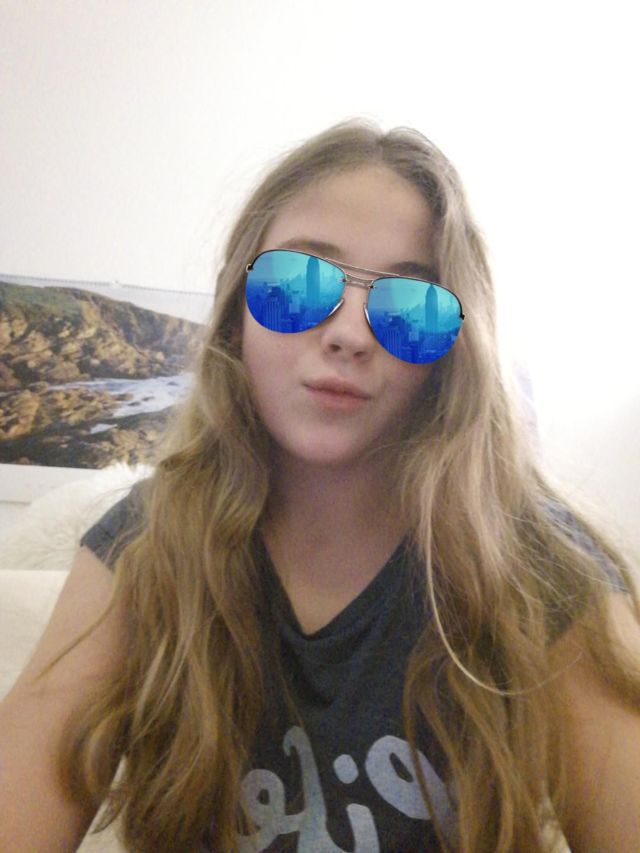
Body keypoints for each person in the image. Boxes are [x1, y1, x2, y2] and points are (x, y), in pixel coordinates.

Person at [1, 119, 639, 853]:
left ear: (452, 351)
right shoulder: (145, 545)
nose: (350, 335)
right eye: (299, 284)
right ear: (236, 311)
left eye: (410, 306)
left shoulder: (540, 570)